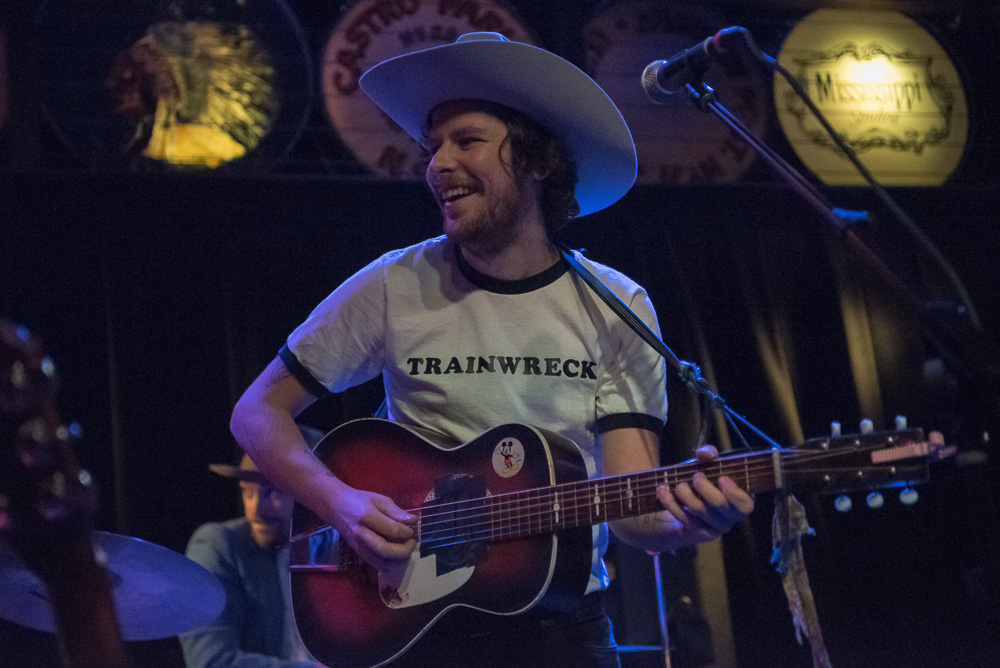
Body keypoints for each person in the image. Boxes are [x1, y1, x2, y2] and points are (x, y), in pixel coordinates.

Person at [230, 32, 754, 668]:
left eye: (466, 140)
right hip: (413, 630)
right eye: (432, 147)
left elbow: (629, 504)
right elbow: (257, 411)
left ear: (535, 161)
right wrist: (341, 503)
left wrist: (690, 524)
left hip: (562, 631)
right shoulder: (396, 283)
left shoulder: (618, 303)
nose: (438, 164)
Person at [178, 453, 319, 668]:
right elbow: (212, 663)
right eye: (248, 492)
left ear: (308, 494)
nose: (255, 510)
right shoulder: (218, 545)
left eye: (273, 491)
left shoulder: (329, 549)